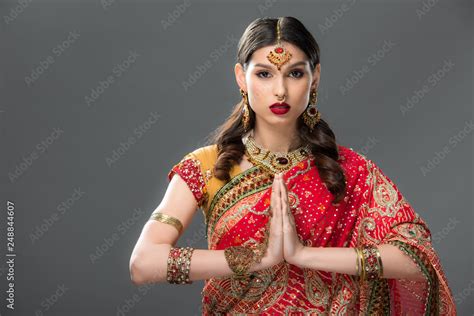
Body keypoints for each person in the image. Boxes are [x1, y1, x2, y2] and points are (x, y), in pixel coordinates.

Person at [129, 16, 457, 315]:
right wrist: (253, 258)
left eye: (295, 73)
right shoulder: (206, 166)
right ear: (241, 78)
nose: (281, 90)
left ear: (314, 79)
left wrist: (303, 255)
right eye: (264, 74)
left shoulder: (349, 170)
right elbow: (143, 263)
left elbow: (416, 257)